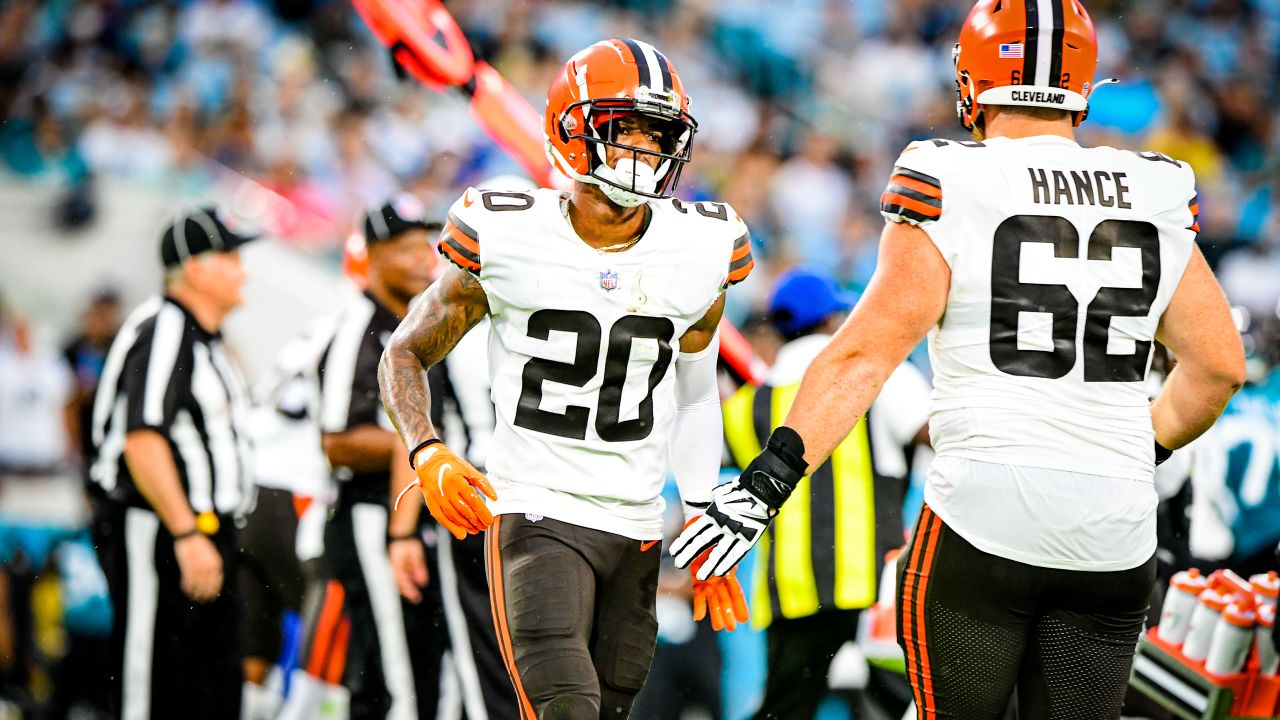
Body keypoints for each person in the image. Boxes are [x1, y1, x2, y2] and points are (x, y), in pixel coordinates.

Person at [673, 2, 1247, 717]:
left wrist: (764, 485)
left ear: (973, 80)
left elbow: (861, 358)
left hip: (984, 519)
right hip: (1114, 530)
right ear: (1083, 84)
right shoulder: (1154, 190)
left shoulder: (950, 175)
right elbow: (1218, 367)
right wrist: (1135, 449)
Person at [380, 38, 751, 719]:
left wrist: (700, 515)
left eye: (658, 134)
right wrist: (425, 450)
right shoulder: (507, 233)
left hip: (637, 526)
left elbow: (694, 393)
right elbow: (403, 353)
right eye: (626, 131)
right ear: (573, 132)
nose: (645, 151)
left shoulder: (702, 247)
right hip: (537, 511)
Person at [722, 268, 928, 720]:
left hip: (790, 590)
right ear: (833, 320)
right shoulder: (880, 377)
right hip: (877, 585)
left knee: (785, 710)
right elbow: (938, 435)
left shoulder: (745, 406)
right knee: (900, 706)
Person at [88, 206, 258, 719]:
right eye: (231, 256)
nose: (243, 269)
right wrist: (186, 533)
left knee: (210, 690)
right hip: (162, 532)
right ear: (198, 267)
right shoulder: (165, 327)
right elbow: (143, 439)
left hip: (204, 534)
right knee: (154, 683)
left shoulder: (203, 340)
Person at [315, 195, 447, 719]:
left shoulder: (421, 324)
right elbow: (336, 439)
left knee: (420, 666)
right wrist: (422, 444)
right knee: (396, 681)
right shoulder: (357, 327)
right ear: (372, 254)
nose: (425, 260)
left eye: (427, 246)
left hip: (413, 517)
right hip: (373, 516)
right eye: (409, 248)